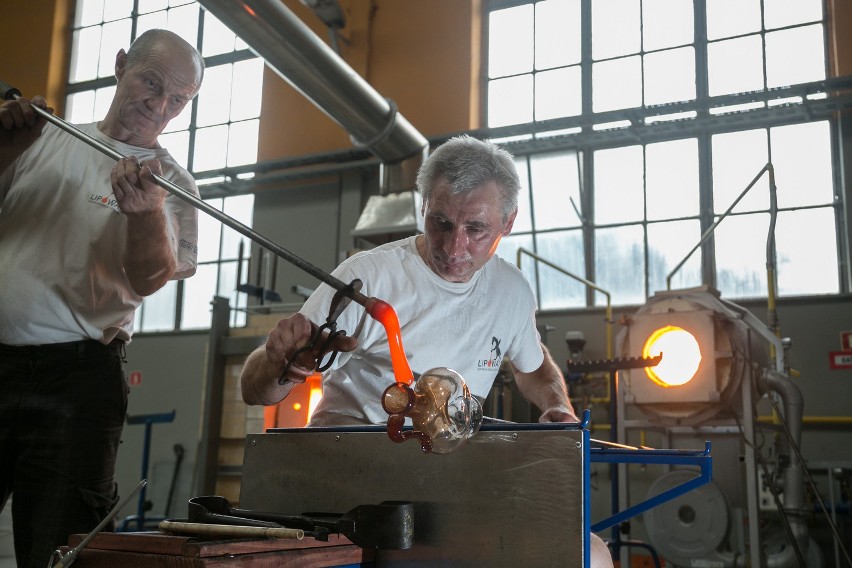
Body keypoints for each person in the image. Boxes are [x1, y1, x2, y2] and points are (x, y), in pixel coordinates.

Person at [240, 134, 613, 567]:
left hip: (449, 480)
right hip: (351, 481)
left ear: (507, 223)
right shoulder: (368, 280)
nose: (455, 248)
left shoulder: (510, 291)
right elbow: (255, 389)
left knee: (591, 555)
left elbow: (533, 367)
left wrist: (556, 406)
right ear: (423, 208)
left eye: (476, 230)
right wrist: (279, 363)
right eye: (441, 223)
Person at [0, 29, 204, 568]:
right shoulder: (43, 139)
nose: (159, 105)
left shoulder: (174, 184)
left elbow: (149, 278)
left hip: (77, 382)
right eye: (150, 82)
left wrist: (143, 216)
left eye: (178, 100)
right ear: (119, 66)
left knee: (59, 552)